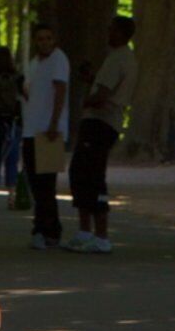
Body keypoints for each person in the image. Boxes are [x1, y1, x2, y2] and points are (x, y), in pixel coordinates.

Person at [70, 14, 134, 252]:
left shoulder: (118, 59)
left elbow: (104, 94)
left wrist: (88, 101)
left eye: (112, 30)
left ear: (121, 33)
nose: (108, 34)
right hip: (104, 122)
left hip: (101, 122)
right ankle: (86, 231)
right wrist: (91, 80)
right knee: (83, 173)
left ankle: (100, 235)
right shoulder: (122, 58)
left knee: (91, 175)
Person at [19, 25, 73, 252]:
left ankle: (44, 230)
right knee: (36, 183)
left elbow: (60, 90)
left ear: (54, 40)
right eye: (40, 39)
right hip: (31, 129)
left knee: (46, 185)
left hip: (48, 131)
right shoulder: (34, 63)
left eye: (48, 38)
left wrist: (54, 123)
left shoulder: (58, 59)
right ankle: (48, 229)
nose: (44, 42)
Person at [0, 42, 28, 196]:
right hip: (14, 122)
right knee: (12, 158)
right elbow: (27, 96)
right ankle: (11, 193)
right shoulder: (19, 78)